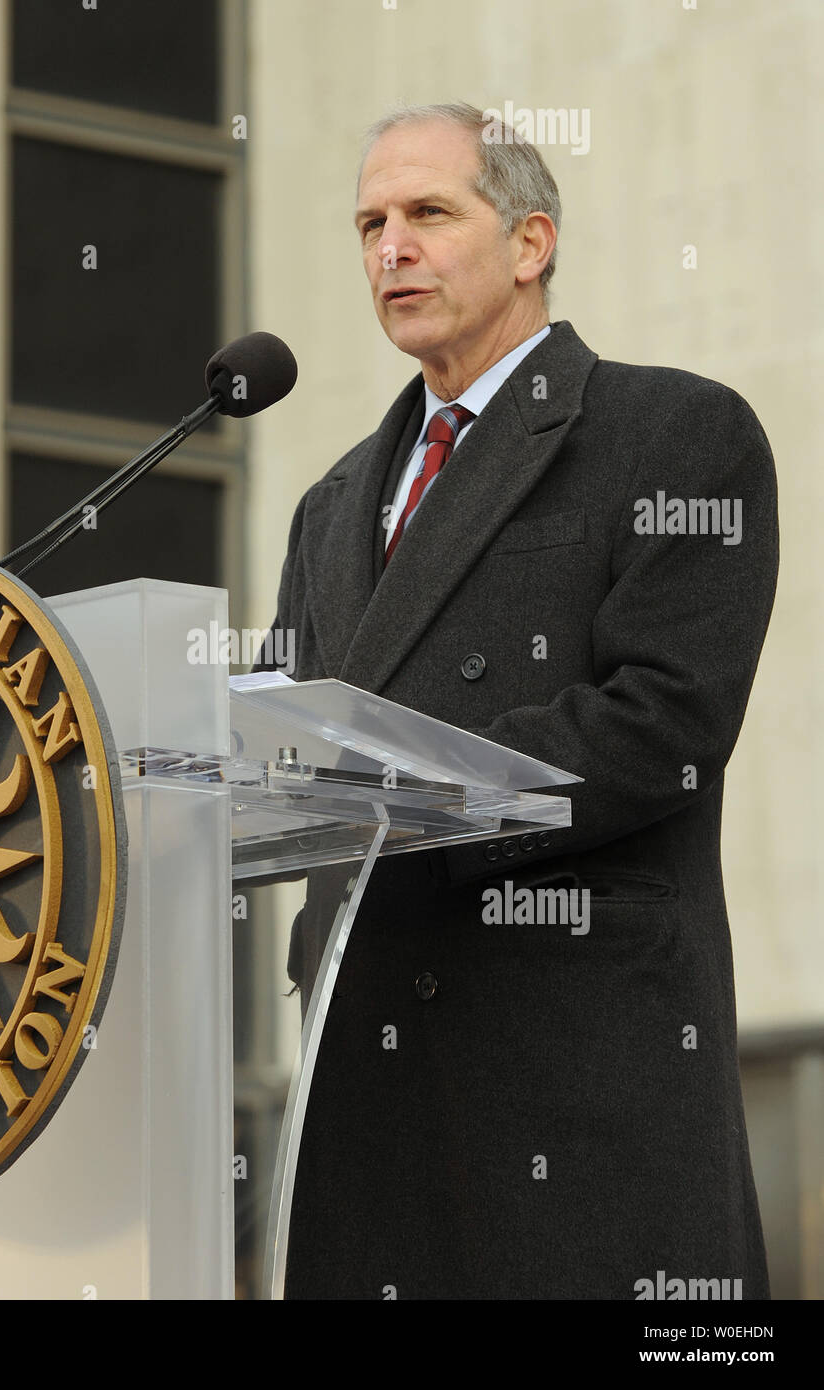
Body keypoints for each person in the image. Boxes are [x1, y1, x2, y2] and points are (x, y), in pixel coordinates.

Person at [256, 103, 778, 1300]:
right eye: (370, 223)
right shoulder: (331, 505)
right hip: (368, 1069)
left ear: (531, 242)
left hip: (568, 1071)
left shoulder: (672, 434)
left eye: (429, 213)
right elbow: (282, 752)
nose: (391, 247)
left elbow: (663, 724)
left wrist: (400, 784)